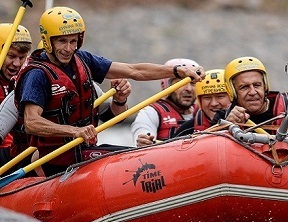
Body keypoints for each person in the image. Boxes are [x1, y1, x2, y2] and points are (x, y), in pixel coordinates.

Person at [15, 6, 204, 176]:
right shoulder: (37, 75)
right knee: (134, 160)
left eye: (73, 41)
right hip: (57, 159)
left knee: (135, 155)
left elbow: (133, 71)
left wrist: (177, 70)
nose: (69, 48)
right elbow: (32, 122)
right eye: (62, 41)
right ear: (48, 41)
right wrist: (74, 131)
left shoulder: (83, 59)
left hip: (86, 150)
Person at [216, 56, 288, 130]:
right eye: (244, 87)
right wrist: (226, 127)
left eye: (257, 85)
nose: (252, 92)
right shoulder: (222, 117)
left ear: (265, 86)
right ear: (233, 92)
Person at [131, 58, 199, 146]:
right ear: (167, 86)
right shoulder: (151, 112)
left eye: (193, 83)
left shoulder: (204, 110)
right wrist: (143, 140)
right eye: (181, 83)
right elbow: (142, 131)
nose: (188, 89)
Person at [0, 23, 32, 148]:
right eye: (11, 56)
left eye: (22, 57)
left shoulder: (28, 78)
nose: (16, 63)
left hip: (19, 148)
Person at [174, 69, 232, 136]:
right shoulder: (186, 130)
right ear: (200, 101)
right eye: (207, 98)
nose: (213, 103)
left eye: (220, 96)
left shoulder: (245, 123)